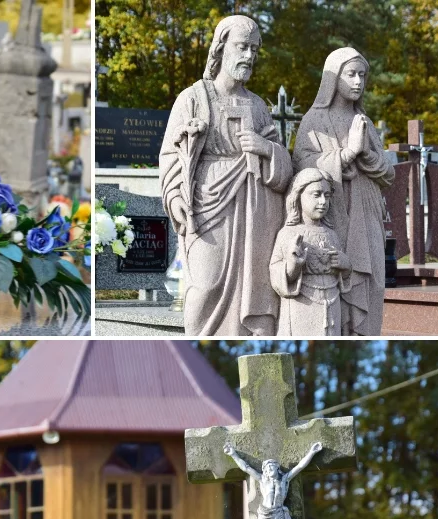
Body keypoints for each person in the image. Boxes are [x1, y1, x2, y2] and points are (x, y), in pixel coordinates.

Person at [159, 14, 293, 336]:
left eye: (255, 50)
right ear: (221, 49)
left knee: (254, 283)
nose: (249, 56)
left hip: (255, 212)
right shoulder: (193, 99)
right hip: (207, 206)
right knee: (205, 284)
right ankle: (200, 344)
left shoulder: (259, 106)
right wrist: (176, 197)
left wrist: (264, 147)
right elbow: (169, 156)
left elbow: (284, 170)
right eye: (243, 47)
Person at [292, 47, 396, 335]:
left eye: (362, 75)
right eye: (350, 74)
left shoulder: (364, 122)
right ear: (334, 78)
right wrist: (346, 154)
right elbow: (302, 167)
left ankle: (365, 336)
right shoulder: (314, 120)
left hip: (368, 213)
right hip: (333, 213)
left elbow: (388, 173)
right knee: (337, 281)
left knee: (372, 280)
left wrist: (364, 154)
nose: (358, 81)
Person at [270, 169, 352, 335]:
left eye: (327, 196)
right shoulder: (288, 233)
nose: (323, 201)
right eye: (316, 194)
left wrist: (346, 265)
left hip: (332, 305)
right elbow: (275, 271)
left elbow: (343, 275)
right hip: (301, 307)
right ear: (299, 196)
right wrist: (292, 266)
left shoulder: (332, 234)